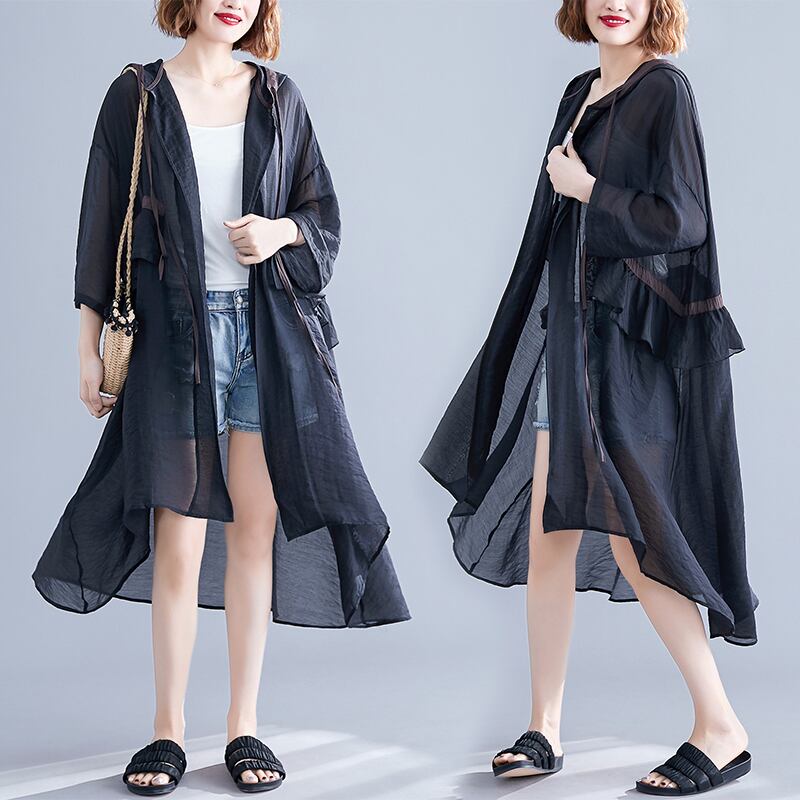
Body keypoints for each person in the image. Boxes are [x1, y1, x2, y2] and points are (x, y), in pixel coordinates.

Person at [32, 0, 410, 794]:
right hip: (176, 339)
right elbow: (99, 226)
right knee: (179, 537)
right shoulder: (137, 95)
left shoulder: (278, 97)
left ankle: (244, 726)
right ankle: (167, 732)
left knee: (252, 535)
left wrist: (279, 232)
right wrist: (86, 347)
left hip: (268, 338)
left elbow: (321, 217)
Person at [420, 0, 757, 795]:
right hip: (571, 346)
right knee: (551, 530)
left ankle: (721, 726)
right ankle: (544, 725)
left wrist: (589, 188)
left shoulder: (663, 89)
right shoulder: (580, 92)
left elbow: (682, 220)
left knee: (639, 538)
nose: (615, 3)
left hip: (625, 352)